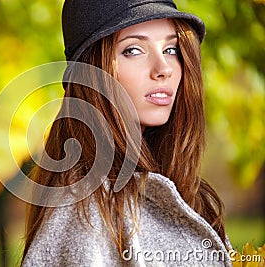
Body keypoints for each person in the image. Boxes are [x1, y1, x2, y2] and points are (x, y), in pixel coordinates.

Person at [21, 0, 233, 266]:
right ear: (92, 71)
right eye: (133, 50)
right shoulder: (84, 206)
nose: (164, 68)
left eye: (170, 48)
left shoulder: (187, 192)